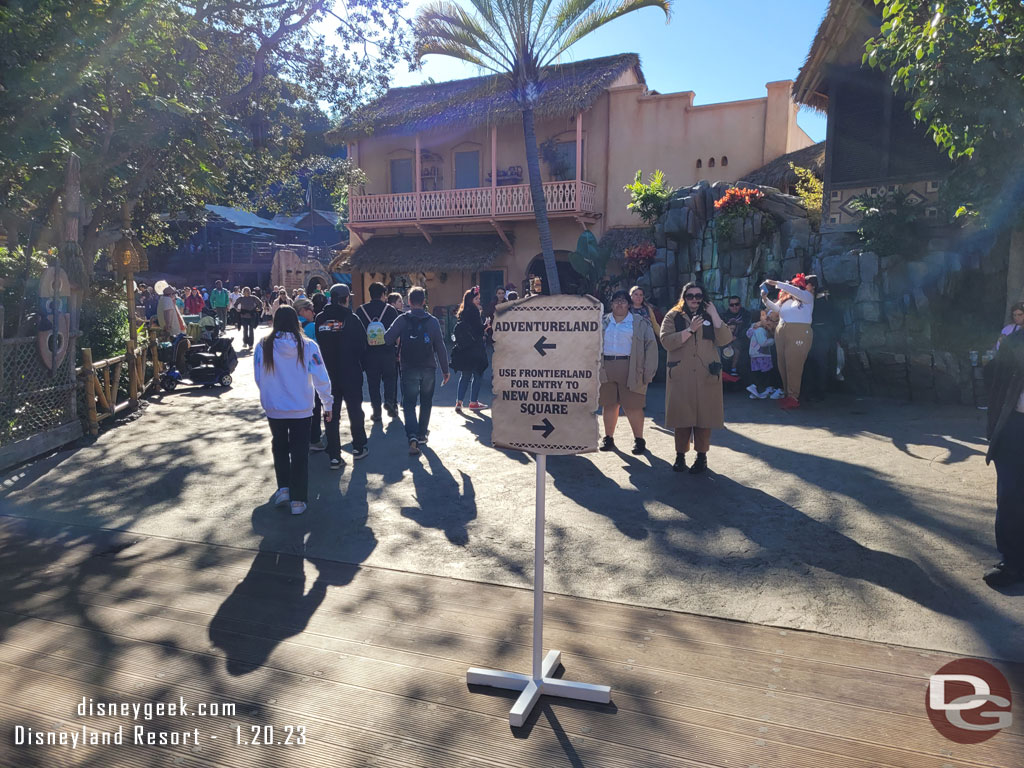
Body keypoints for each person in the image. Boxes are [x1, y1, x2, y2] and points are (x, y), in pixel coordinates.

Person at [254, 306, 334, 516]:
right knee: (300, 452)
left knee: (279, 446)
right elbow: (321, 377)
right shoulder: (308, 346)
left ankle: (283, 488)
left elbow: (258, 376)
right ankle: (298, 500)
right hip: (301, 408)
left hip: (274, 408)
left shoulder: (263, 345)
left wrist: (268, 395)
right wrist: (328, 404)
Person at [660, 283, 733, 473]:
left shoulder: (710, 315)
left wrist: (715, 314)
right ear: (684, 296)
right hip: (681, 374)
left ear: (703, 297)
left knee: (704, 419)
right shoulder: (673, 315)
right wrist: (689, 330)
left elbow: (725, 339)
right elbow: (666, 341)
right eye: (690, 296)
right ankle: (680, 456)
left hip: (705, 375)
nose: (694, 299)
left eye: (698, 296)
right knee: (682, 418)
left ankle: (702, 458)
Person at [385, 286, 450, 456]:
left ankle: (412, 436)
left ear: (408, 301)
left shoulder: (402, 320)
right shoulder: (433, 321)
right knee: (426, 401)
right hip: (429, 367)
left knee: (409, 404)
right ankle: (422, 434)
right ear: (424, 301)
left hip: (408, 367)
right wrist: (445, 370)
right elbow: (440, 347)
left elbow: (387, 338)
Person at [982, 332, 1024, 587]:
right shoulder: (1015, 341)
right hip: (1014, 427)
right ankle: (1013, 563)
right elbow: (996, 385)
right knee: (1009, 494)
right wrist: (994, 428)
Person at [315, 284, 368, 467]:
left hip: (327, 375)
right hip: (350, 372)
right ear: (346, 298)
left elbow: (319, 343)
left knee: (330, 413)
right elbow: (363, 345)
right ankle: (359, 446)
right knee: (355, 411)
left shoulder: (320, 319)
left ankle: (334, 455)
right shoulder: (351, 318)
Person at [599, 289, 658, 454]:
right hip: (606, 367)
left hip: (632, 368)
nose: (619, 303)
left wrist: (649, 371)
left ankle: (639, 440)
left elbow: (651, 347)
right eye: (616, 300)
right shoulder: (602, 322)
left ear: (629, 304)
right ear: (611, 304)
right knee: (609, 404)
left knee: (633, 406)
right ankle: (608, 438)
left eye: (623, 301)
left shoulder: (639, 322)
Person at [761, 273, 815, 410]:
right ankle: (787, 394)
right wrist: (765, 299)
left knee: (794, 363)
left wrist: (777, 283)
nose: (793, 286)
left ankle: (793, 396)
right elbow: (775, 308)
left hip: (799, 331)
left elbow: (795, 291)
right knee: (782, 363)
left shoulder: (807, 297)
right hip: (782, 330)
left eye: (796, 284)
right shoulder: (786, 300)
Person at [357, 281, 402, 421]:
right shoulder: (390, 310)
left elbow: (358, 335)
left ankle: (376, 412)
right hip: (387, 351)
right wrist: (398, 352)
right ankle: (390, 401)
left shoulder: (361, 310)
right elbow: (397, 334)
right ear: (383, 294)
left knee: (373, 383)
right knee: (390, 378)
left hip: (369, 354)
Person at [803, 276, 842, 402]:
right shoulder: (813, 300)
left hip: (821, 334)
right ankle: (816, 390)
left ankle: (818, 390)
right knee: (817, 364)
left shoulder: (818, 300)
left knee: (819, 364)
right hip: (818, 334)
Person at [451, 287, 489, 413]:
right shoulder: (474, 312)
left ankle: (459, 402)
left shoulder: (463, 312)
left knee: (465, 376)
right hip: (475, 349)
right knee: (478, 375)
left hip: (464, 350)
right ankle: (473, 402)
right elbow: (478, 330)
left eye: (479, 298)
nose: (478, 301)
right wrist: (486, 325)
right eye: (476, 299)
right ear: (470, 300)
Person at [294, 298, 325, 451]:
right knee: (314, 406)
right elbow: (318, 351)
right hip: (309, 372)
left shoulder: (289, 327)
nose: (314, 312)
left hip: (292, 373)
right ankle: (314, 438)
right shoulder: (312, 327)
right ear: (303, 311)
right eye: (311, 310)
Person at [745, 310, 776, 399]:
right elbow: (763, 343)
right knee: (765, 373)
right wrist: (772, 341)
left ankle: (755, 389)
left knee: (757, 372)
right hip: (763, 355)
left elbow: (748, 334)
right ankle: (763, 389)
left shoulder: (753, 329)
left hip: (753, 355)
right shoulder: (761, 330)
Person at [721, 295, 750, 382]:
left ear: (740, 304)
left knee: (736, 348)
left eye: (736, 304)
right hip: (726, 338)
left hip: (740, 339)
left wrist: (736, 337)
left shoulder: (746, 314)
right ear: (729, 305)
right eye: (732, 305)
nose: (734, 307)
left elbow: (747, 328)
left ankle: (734, 369)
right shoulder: (723, 316)